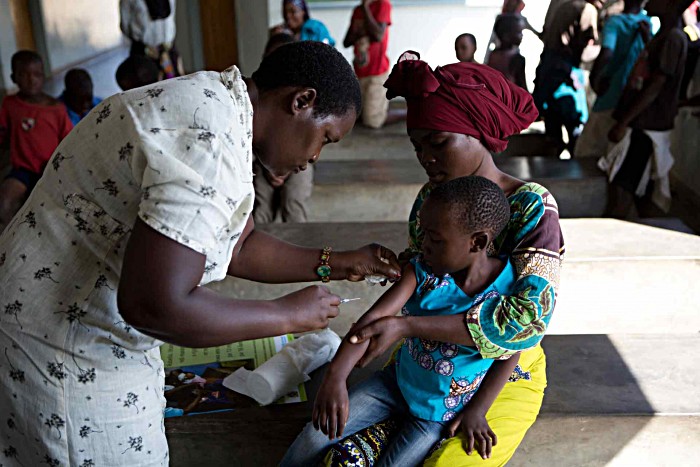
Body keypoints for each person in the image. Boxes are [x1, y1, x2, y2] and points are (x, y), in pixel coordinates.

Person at [0, 41, 401, 466]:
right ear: (301, 101)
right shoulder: (210, 142)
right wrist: (287, 315)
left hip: (55, 314)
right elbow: (154, 305)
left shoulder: (216, 103)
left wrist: (338, 262)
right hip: (64, 347)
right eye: (324, 138)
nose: (314, 157)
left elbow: (238, 245)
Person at [318, 52, 564, 467]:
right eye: (417, 145)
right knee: (331, 450)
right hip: (425, 367)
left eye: (438, 142)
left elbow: (526, 322)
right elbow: (423, 278)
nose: (425, 157)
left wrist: (407, 325)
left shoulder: (532, 208)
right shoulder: (430, 202)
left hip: (500, 372)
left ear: (478, 134)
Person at [282, 176, 520, 466]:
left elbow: (510, 351)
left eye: (435, 238)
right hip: (394, 385)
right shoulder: (423, 272)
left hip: (437, 414)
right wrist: (336, 376)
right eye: (423, 232)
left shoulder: (509, 294)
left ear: (478, 242)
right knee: (313, 437)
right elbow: (373, 322)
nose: (423, 245)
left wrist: (478, 410)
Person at [600, 0, 693, 219]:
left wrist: (624, 121)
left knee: (626, 187)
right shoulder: (665, 35)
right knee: (629, 184)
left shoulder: (673, 38)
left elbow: (656, 85)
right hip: (643, 123)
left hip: (646, 126)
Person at [0, 50, 73, 229]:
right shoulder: (9, 104)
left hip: (50, 169)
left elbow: (68, 143)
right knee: (4, 204)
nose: (31, 80)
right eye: (23, 75)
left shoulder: (56, 109)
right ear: (13, 77)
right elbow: (3, 136)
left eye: (37, 75)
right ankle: (14, 243)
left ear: (44, 76)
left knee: (55, 208)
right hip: (22, 170)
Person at [575, 0, 651, 158]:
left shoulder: (615, 22)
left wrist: (596, 78)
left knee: (587, 149)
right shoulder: (647, 23)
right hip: (632, 96)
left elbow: (607, 53)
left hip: (611, 91)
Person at [254, 38, 315, 224]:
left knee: (294, 203)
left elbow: (312, 141)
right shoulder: (256, 95)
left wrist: (285, 169)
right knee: (261, 208)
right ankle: (258, 252)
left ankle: (299, 249)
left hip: (298, 164)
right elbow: (252, 140)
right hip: (261, 164)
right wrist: (269, 168)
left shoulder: (307, 98)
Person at [533, 0, 602, 155]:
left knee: (553, 133)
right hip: (566, 74)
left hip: (548, 71)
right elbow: (585, 47)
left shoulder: (561, 4)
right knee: (576, 131)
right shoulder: (587, 9)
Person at [344, 0, 405, 128]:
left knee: (372, 121)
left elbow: (378, 35)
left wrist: (366, 7)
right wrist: (358, 33)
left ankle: (407, 113)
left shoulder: (383, 4)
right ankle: (379, 107)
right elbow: (346, 42)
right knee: (357, 116)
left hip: (377, 73)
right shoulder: (357, 10)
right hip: (359, 73)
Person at [119, 0, 184, 78]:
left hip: (168, 51)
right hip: (143, 54)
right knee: (147, 87)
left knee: (174, 84)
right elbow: (125, 26)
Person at [487, 14, 528, 89]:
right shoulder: (517, 59)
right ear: (506, 36)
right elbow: (522, 88)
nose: (522, 35)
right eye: (518, 32)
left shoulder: (493, 54)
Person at [271, 0, 335, 46]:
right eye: (285, 12)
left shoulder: (316, 28)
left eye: (293, 11)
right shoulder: (281, 31)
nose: (288, 16)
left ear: (303, 12)